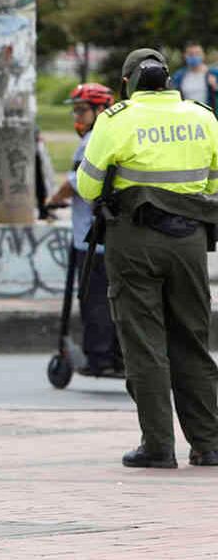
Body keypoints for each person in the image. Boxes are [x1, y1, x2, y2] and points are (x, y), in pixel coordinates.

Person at [78, 48, 218, 468]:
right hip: (190, 241)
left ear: (128, 82)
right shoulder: (203, 116)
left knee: (144, 343)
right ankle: (208, 444)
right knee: (192, 339)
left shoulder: (116, 119)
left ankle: (158, 446)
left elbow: (88, 187)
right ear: (169, 80)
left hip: (133, 241)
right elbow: (213, 180)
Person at [45, 83, 122, 377]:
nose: (77, 116)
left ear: (101, 110)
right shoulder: (113, 137)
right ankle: (117, 356)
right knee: (114, 300)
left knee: (94, 300)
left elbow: (74, 183)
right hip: (112, 236)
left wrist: (50, 201)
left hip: (91, 240)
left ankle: (100, 358)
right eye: (75, 110)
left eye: (82, 110)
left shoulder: (91, 141)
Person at [170, 42, 218, 110]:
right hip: (187, 115)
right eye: (190, 54)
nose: (194, 57)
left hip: (208, 116)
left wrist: (215, 87)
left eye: (197, 54)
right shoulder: (179, 76)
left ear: (203, 55)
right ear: (185, 56)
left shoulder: (214, 74)